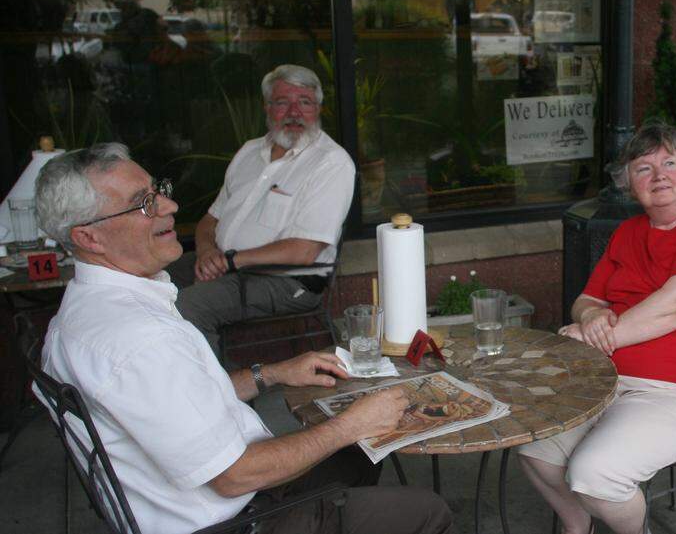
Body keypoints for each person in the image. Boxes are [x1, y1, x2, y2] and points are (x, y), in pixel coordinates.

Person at [33, 143, 452, 534]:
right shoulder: (139, 339)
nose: (170, 206)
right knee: (428, 509)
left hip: (225, 497)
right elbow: (234, 477)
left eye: (157, 191)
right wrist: (349, 424)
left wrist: (272, 373)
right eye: (142, 203)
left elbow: (173, 404)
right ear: (88, 237)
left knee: (359, 451)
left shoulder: (76, 316)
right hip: (241, 519)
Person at [517, 123, 676, 534]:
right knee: (535, 450)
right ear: (628, 184)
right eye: (643, 168)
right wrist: (591, 318)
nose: (659, 174)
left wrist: (594, 335)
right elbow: (588, 299)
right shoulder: (628, 232)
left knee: (595, 475)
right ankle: (579, 526)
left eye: (669, 163)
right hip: (612, 383)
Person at [167, 63, 354, 354]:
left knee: (188, 306)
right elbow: (209, 220)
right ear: (267, 108)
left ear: (318, 109)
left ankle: (213, 395)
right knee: (150, 280)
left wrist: (229, 261)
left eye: (304, 102)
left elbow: (302, 252)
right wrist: (206, 253)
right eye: (282, 102)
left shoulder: (331, 163)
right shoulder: (249, 152)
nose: (294, 112)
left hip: (286, 280)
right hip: (227, 264)